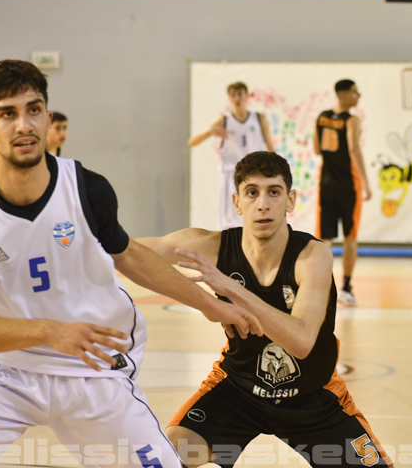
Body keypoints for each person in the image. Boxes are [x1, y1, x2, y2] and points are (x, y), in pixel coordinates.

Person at [0, 60, 260, 468]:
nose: (24, 125)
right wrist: (48, 330)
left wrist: (210, 305)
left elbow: (130, 255)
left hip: (92, 366)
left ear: (48, 118)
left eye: (33, 110)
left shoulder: (86, 189)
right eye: (7, 114)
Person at [138, 151, 393, 468]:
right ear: (236, 202)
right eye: (252, 193)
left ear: (290, 200)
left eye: (274, 192)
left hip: (314, 397)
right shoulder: (211, 247)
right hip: (237, 390)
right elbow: (128, 253)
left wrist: (231, 289)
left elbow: (301, 341)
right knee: (165, 460)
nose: (263, 204)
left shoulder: (312, 256)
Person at [313, 80, 371, 307]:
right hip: (349, 186)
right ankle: (346, 288)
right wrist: (366, 182)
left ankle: (321, 288)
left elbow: (317, 149)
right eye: (355, 92)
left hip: (327, 184)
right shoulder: (352, 120)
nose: (359, 95)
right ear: (343, 95)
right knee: (350, 238)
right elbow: (354, 149)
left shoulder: (321, 117)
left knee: (324, 239)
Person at [188, 81, 274, 230]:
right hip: (231, 175)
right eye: (233, 95)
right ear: (229, 98)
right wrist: (210, 132)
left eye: (240, 94)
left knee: (255, 215)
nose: (237, 98)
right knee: (231, 221)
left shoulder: (259, 118)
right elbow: (192, 142)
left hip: (256, 174)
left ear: (247, 96)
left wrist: (276, 170)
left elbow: (270, 147)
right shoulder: (224, 120)